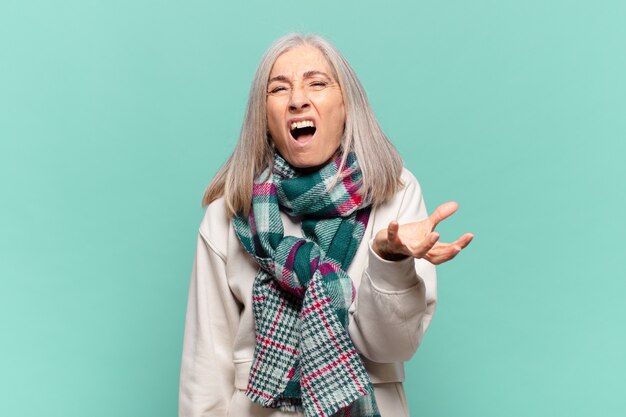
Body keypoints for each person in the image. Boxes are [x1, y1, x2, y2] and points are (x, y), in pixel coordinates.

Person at [179, 33, 473, 417]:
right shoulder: (230, 209)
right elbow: (206, 367)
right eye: (279, 88)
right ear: (263, 115)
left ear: (346, 105)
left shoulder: (395, 192)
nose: (298, 99)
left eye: (317, 83)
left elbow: (394, 347)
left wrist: (388, 260)